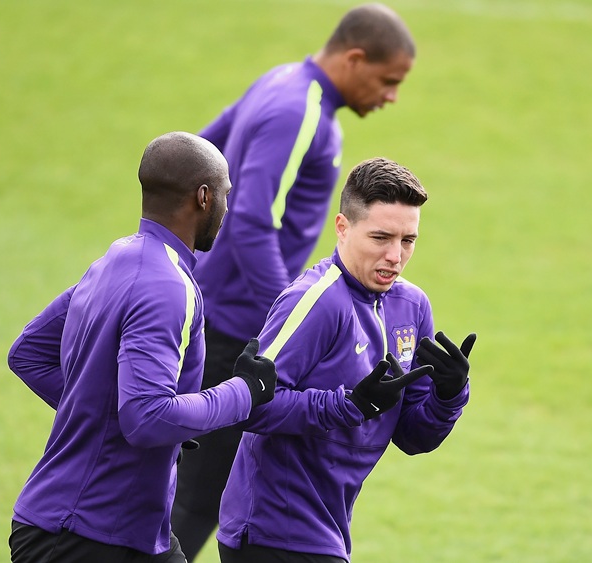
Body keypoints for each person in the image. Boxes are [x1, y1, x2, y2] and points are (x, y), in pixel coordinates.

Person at [171, 4, 418, 557]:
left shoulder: (279, 81)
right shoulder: (301, 113)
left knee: (182, 495)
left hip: (209, 314)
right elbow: (253, 221)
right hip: (236, 333)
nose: (391, 96)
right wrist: (287, 314)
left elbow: (195, 158)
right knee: (193, 504)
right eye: (389, 80)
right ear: (355, 59)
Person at [6, 131, 279, 563]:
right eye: (226, 195)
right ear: (204, 197)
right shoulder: (168, 288)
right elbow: (147, 418)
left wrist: (105, 423)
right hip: (82, 538)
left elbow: (29, 352)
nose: (228, 209)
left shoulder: (113, 261)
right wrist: (242, 393)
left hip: (122, 533)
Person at [215, 157, 477, 562]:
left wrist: (449, 396)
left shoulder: (412, 306)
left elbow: (413, 436)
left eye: (408, 241)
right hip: (272, 528)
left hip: (329, 529)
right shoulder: (316, 302)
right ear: (342, 227)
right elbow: (249, 405)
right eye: (381, 237)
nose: (395, 255)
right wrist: (348, 405)